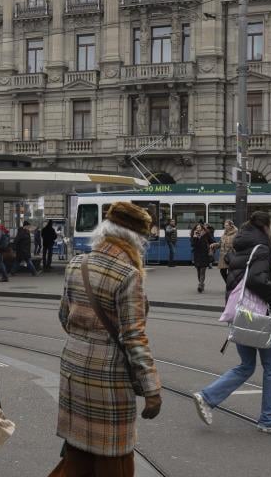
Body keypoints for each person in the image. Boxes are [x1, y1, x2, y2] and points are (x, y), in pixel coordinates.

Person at [52, 201, 161, 476]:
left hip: (73, 370)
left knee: (78, 453)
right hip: (108, 377)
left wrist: (86, 340)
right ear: (135, 239)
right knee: (115, 459)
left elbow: (64, 317)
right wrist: (151, 390)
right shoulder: (128, 275)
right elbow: (134, 337)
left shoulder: (78, 263)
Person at [192, 211, 271, 433]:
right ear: (266, 226)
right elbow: (257, 280)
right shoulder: (262, 248)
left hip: (239, 312)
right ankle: (270, 419)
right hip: (256, 315)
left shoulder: (241, 246)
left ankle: (207, 398)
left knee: (246, 366)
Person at [190, 222, 213, 293]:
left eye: (199, 228)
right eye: (197, 228)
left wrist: (212, 246)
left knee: (202, 271)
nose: (198, 229)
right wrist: (195, 237)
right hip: (197, 255)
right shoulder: (193, 235)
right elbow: (193, 245)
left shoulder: (206, 234)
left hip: (204, 254)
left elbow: (212, 241)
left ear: (202, 228)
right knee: (198, 272)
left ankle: (200, 285)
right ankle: (202, 284)